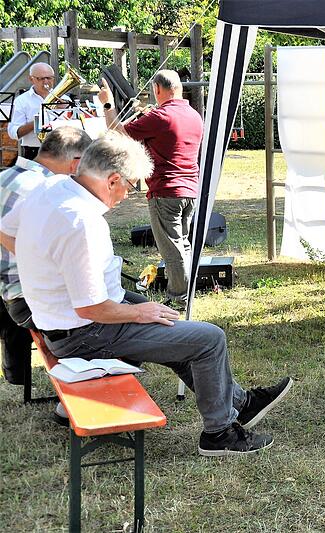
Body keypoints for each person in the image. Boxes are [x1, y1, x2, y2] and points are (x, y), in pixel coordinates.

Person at [3, 133, 292, 456]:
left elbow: (6, 231)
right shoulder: (80, 222)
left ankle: (240, 403)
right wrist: (140, 313)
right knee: (209, 338)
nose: (128, 195)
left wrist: (41, 262)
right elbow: (91, 308)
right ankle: (220, 433)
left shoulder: (47, 187)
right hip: (84, 332)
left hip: (64, 319)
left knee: (177, 329)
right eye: (130, 185)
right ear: (112, 180)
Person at [99, 69, 204, 309]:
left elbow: (118, 132)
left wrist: (107, 105)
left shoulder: (161, 116)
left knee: (172, 248)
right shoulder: (193, 115)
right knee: (182, 243)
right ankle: (186, 291)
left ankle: (180, 298)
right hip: (189, 189)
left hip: (166, 190)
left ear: (157, 89)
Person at [0, 127, 92, 386]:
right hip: (27, 296)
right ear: (75, 161)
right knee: (112, 317)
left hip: (9, 288)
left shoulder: (6, 175)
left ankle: (17, 374)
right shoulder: (44, 189)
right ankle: (83, 393)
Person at [8, 63, 57, 160]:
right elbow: (13, 132)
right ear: (31, 79)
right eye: (41, 79)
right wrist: (36, 123)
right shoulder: (21, 101)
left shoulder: (64, 99)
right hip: (34, 152)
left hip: (62, 151)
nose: (46, 81)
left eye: (49, 78)